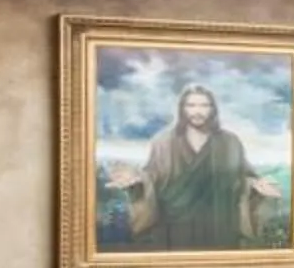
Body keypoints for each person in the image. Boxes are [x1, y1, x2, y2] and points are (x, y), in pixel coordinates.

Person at [115, 85, 278, 250]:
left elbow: (244, 176)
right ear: (182, 109)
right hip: (173, 227)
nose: (197, 111)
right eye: (191, 105)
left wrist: (257, 188)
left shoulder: (230, 142)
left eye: (204, 105)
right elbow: (150, 177)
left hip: (220, 224)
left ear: (213, 109)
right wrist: (135, 184)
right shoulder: (163, 142)